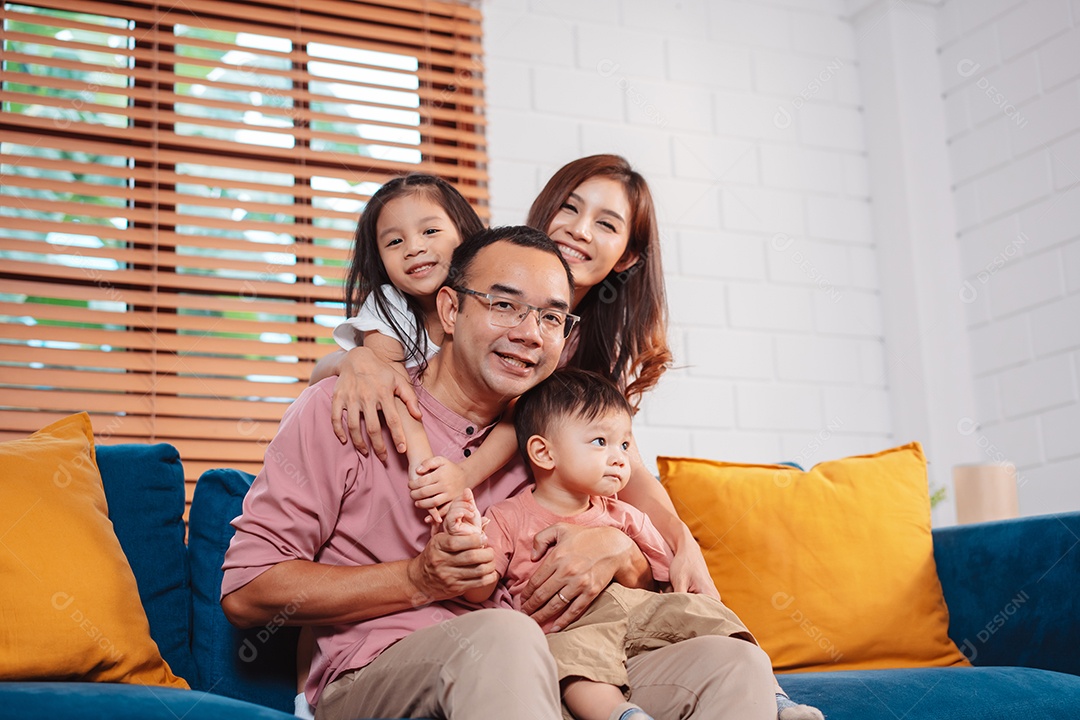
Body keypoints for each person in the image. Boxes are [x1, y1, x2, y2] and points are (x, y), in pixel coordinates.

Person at [223, 225, 649, 720]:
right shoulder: (346, 408)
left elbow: (644, 582)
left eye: (551, 317)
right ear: (450, 309)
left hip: (558, 675)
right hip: (376, 676)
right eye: (503, 305)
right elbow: (248, 592)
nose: (530, 334)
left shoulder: (558, 442)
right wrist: (418, 578)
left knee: (725, 659)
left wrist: (620, 551)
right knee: (506, 638)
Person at [311, 156, 718, 629]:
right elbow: (341, 369)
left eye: (606, 224)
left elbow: (631, 471)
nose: (580, 230)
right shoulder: (469, 301)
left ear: (626, 255)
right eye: (568, 208)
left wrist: (682, 542)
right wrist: (355, 359)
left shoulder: (586, 354)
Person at [443, 368, 822, 720]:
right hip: (570, 626)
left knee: (710, 614)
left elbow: (663, 579)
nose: (620, 458)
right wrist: (467, 540)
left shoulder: (626, 516)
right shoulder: (507, 516)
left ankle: (775, 698)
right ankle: (622, 714)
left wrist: (688, 586)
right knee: (572, 666)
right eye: (601, 442)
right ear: (544, 453)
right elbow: (480, 591)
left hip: (642, 616)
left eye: (624, 444)